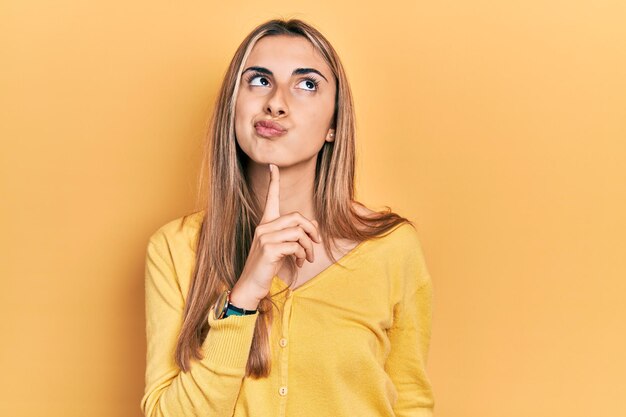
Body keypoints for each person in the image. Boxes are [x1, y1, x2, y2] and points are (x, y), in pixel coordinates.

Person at [141, 18, 435, 417]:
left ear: (334, 123)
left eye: (307, 84)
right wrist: (243, 296)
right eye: (259, 80)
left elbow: (412, 403)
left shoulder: (391, 247)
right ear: (234, 106)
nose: (276, 103)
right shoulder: (175, 249)